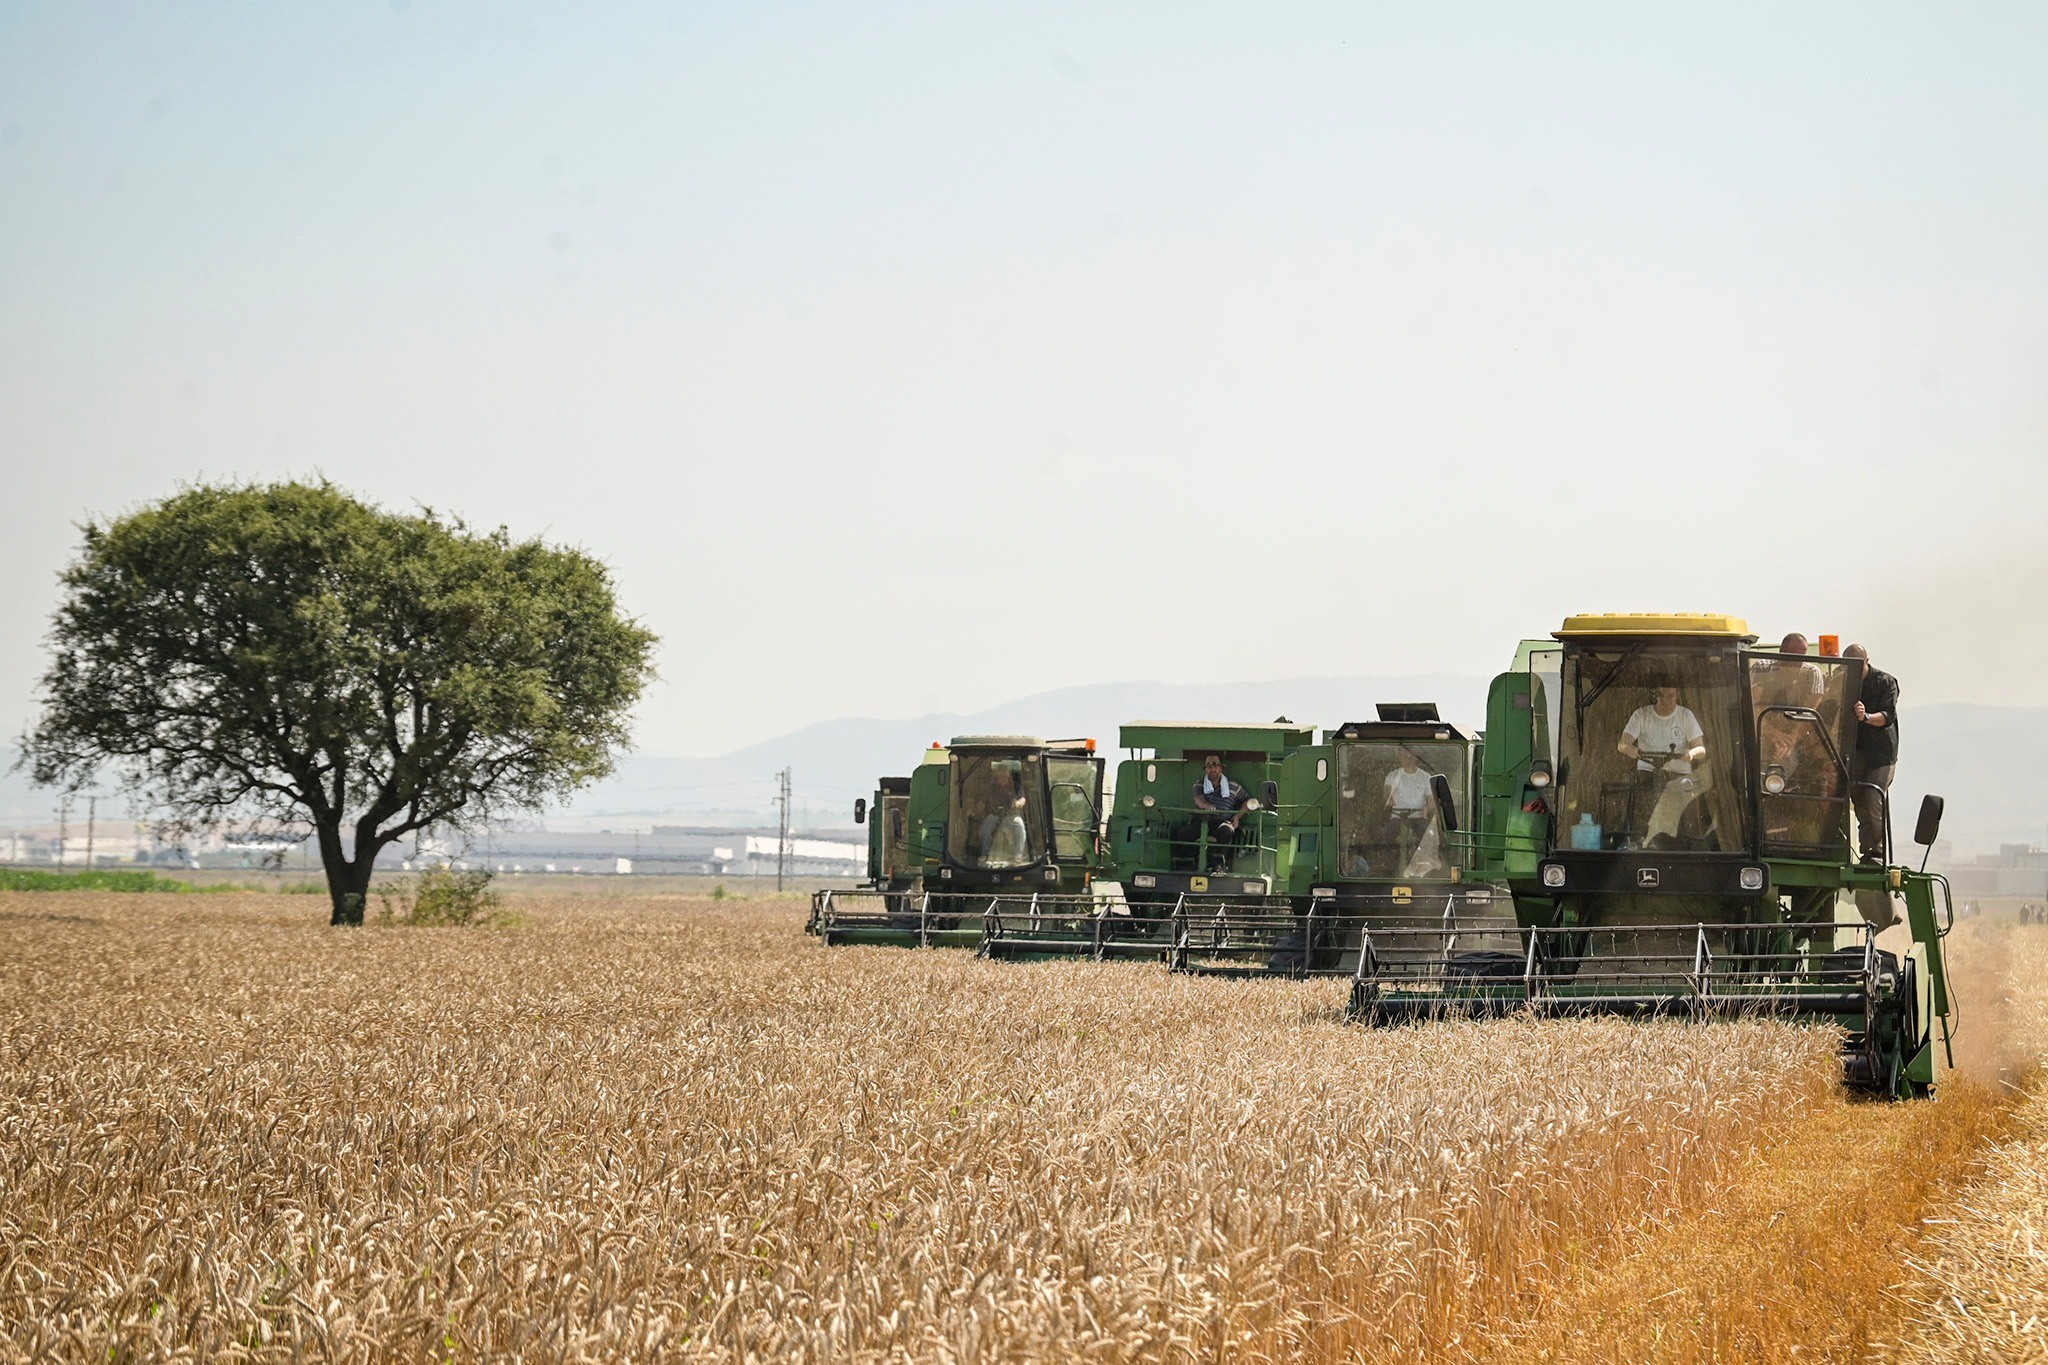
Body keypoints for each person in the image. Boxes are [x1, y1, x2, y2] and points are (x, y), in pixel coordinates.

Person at [1619, 686, 1708, 846]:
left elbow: (1701, 749)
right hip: (1647, 773)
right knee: (1643, 805)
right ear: (1654, 696)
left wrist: (1691, 753)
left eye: (1670, 696)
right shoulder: (1642, 714)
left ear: (1677, 696)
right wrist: (1629, 748)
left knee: (1683, 806)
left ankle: (1681, 843)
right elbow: (1622, 744)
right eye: (1661, 695)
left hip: (1678, 775)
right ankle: (1643, 840)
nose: (1665, 700)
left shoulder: (1685, 715)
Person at [1843, 643, 1899, 864]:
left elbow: (1887, 717)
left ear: (1867, 662)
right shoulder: (1843, 681)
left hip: (1881, 753)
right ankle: (1867, 848)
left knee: (1874, 796)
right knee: (1857, 797)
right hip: (1855, 750)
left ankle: (1878, 851)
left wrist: (1865, 716)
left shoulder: (1885, 682)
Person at [1188, 755, 1251, 872]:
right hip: (1201, 821)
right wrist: (1206, 806)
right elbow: (1198, 798)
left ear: (1221, 768)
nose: (1212, 770)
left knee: (1227, 830)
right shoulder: (1199, 784)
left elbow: (1247, 801)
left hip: (1222, 821)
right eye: (1209, 767)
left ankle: (1218, 863)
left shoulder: (1233, 786)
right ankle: (1190, 861)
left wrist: (1237, 816)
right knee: (1184, 833)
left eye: (1215, 766)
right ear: (1205, 769)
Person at [1380, 748, 1437, 869]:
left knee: (1429, 836)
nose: (1406, 758)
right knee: (1386, 835)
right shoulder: (1393, 776)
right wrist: (1389, 799)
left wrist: (1426, 809)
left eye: (1409, 755)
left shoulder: (1425, 777)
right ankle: (1387, 865)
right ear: (1399, 757)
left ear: (1415, 756)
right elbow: (1387, 794)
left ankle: (1427, 865)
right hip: (1398, 817)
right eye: (1403, 755)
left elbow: (1432, 801)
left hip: (1418, 816)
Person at [974, 766, 1030, 868]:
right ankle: (985, 854)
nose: (1002, 780)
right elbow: (982, 801)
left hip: (1011, 816)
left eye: (1004, 777)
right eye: (999, 777)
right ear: (996, 778)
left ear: (1009, 777)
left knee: (1019, 825)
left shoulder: (1016, 787)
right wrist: (977, 810)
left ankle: (1018, 855)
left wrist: (1018, 803)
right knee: (985, 827)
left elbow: (1023, 799)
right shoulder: (990, 788)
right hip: (994, 815)